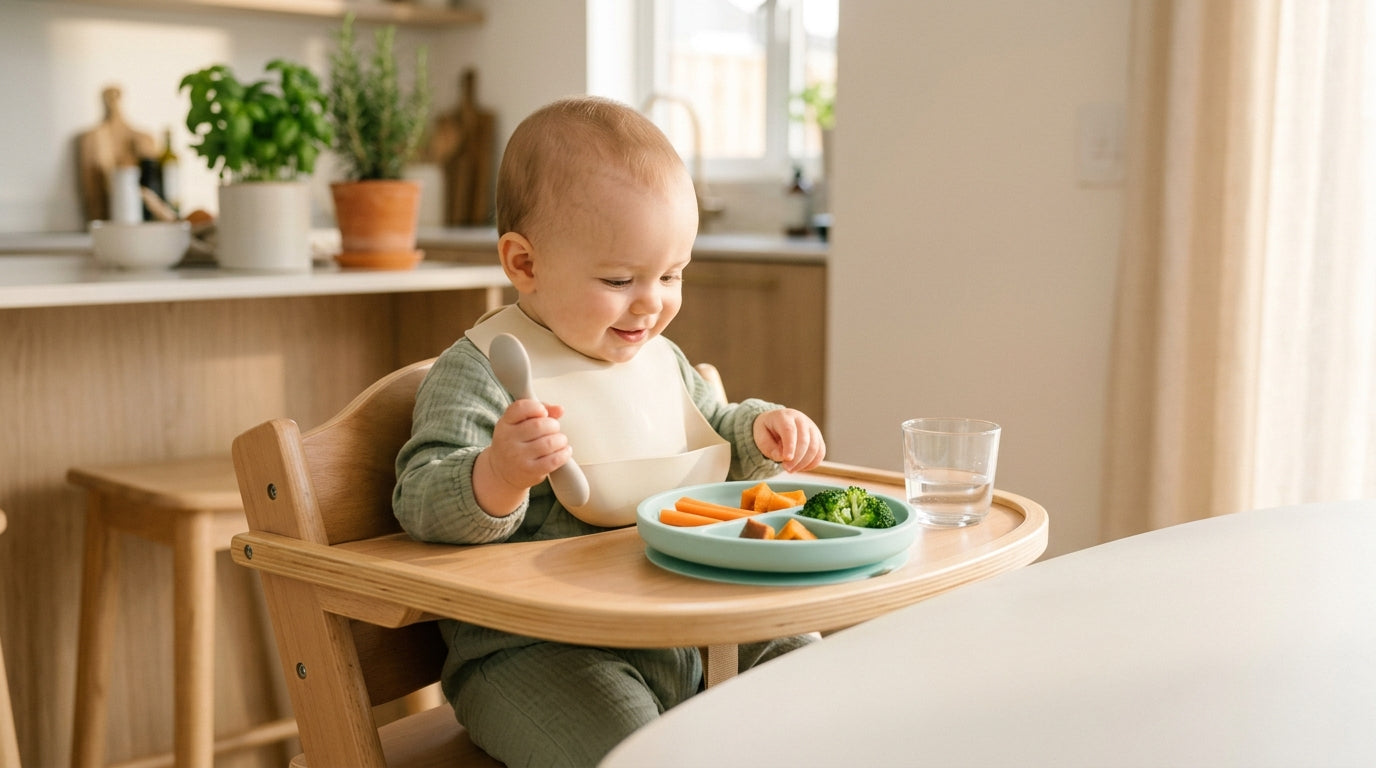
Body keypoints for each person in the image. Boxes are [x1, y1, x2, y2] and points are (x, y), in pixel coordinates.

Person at [393, 95, 826, 767]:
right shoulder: (483, 371)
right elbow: (419, 499)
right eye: (621, 279)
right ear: (525, 264)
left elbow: (710, 436)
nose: (652, 302)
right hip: (535, 652)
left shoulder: (660, 357)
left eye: (671, 275)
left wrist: (760, 432)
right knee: (634, 753)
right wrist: (499, 475)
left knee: (812, 670)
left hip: (689, 624)